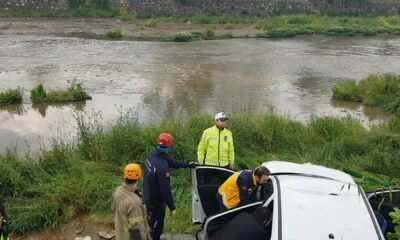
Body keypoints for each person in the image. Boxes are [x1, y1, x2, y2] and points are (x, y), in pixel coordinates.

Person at [144, 133, 196, 240]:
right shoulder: (162, 168)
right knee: (157, 228)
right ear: (169, 146)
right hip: (156, 202)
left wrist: (186, 164)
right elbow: (165, 190)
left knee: (150, 223)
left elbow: (171, 161)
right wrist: (172, 207)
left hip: (147, 194)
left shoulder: (151, 156)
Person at [112, 163, 151, 240]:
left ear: (125, 177)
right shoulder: (135, 203)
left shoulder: (118, 191)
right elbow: (137, 231)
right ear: (138, 179)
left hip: (120, 235)